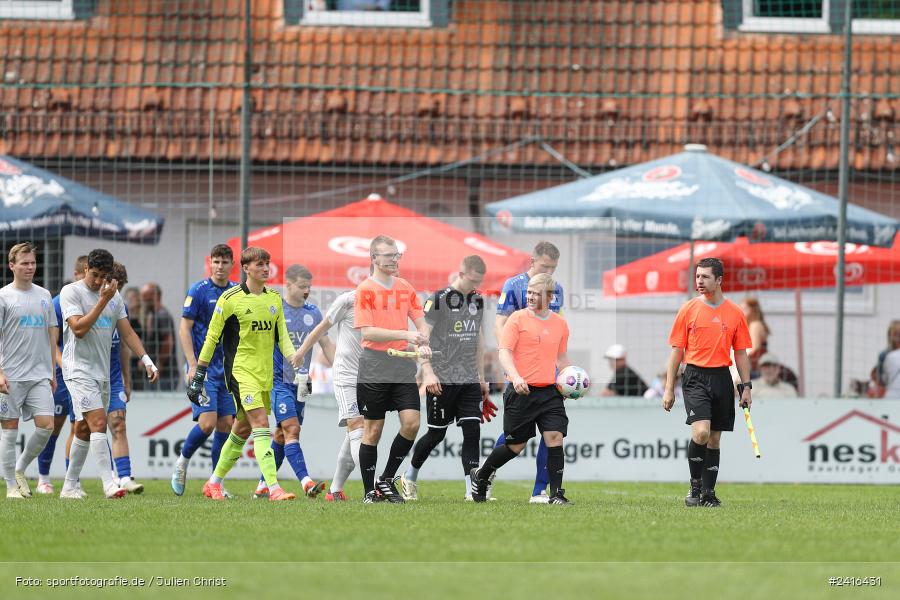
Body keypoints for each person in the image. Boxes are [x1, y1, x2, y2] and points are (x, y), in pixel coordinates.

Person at [187, 246, 303, 502]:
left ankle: (213, 483)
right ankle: (273, 488)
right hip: (240, 372)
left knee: (241, 430)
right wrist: (199, 373)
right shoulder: (230, 299)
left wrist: (295, 358)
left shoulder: (273, 299)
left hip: (264, 375)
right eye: (260, 264)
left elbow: (281, 336)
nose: (265, 268)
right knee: (261, 424)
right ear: (246, 268)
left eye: (267, 263)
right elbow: (212, 337)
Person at [59, 248, 159, 499]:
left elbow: (127, 333)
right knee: (99, 423)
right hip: (77, 370)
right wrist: (103, 299)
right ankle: (109, 484)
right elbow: (79, 329)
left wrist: (146, 360)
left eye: (103, 276)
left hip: (102, 372)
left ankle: (69, 486)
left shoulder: (115, 298)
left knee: (83, 428)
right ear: (84, 270)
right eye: (94, 275)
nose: (98, 281)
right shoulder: (71, 292)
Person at [471, 273, 573, 505]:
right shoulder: (516, 319)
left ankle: (556, 493)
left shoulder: (560, 324)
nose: (529, 296)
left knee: (555, 437)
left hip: (550, 392)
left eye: (535, 293)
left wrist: (571, 381)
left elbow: (562, 357)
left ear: (549, 297)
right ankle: (482, 474)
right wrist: (515, 377)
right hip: (521, 390)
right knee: (515, 446)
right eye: (528, 292)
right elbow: (504, 352)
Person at [400, 255, 496, 501]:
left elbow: (478, 338)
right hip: (441, 379)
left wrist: (482, 378)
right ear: (461, 273)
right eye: (473, 280)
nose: (476, 285)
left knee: (472, 430)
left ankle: (470, 490)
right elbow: (423, 338)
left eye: (480, 281)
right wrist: (428, 371)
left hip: (468, 380)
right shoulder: (438, 300)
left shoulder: (477, 299)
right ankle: (409, 476)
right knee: (436, 434)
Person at [662, 257, 752, 508]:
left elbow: (741, 353)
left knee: (714, 439)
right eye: (697, 276)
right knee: (700, 432)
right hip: (694, 377)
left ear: (719, 280)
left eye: (705, 277)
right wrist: (669, 389)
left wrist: (746, 387)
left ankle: (709, 493)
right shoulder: (688, 309)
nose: (699, 281)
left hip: (722, 378)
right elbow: (676, 352)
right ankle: (695, 486)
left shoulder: (735, 313)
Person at [354, 234, 431, 504]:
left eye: (396, 254)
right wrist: (407, 335)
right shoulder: (365, 289)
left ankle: (385, 479)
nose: (394, 259)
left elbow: (421, 322)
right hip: (374, 364)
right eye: (389, 255)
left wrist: (422, 339)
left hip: (401, 364)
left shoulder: (406, 287)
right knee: (372, 431)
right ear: (374, 259)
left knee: (412, 423)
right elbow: (368, 332)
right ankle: (368, 492)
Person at [252, 264, 332, 499]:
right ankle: (306, 482)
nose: (307, 290)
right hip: (279, 381)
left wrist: (341, 370)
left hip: (303, 384)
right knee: (291, 429)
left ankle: (262, 486)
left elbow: (326, 345)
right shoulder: (275, 308)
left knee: (281, 435)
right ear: (288, 284)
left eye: (309, 286)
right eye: (302, 286)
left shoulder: (314, 313)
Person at [494, 240, 564, 503]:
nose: (549, 271)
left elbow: (556, 328)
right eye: (545, 266)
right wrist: (513, 366)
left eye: (553, 267)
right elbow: (499, 326)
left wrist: (563, 372)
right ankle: (487, 472)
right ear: (531, 262)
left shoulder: (557, 290)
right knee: (517, 436)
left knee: (552, 430)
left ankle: (540, 490)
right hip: (518, 372)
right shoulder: (514, 286)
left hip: (547, 374)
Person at [171, 244, 237, 496]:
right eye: (216, 262)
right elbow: (184, 329)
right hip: (204, 369)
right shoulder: (198, 291)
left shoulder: (235, 293)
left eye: (224, 262)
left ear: (232, 265)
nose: (219, 266)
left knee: (225, 426)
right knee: (208, 423)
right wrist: (192, 363)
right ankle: (182, 462)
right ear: (210, 263)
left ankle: (215, 484)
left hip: (228, 371)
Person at [293, 287, 363, 502]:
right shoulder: (349, 300)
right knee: (358, 427)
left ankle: (334, 491)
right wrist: (301, 352)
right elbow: (322, 329)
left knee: (357, 433)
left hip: (371, 376)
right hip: (346, 375)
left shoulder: (388, 303)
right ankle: (377, 484)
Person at [0, 242, 57, 499]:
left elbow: (51, 331)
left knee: (46, 426)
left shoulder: (44, 295)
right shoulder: (3, 296)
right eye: (24, 263)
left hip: (39, 375)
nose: (30, 267)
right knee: (9, 430)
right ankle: (11, 486)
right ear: (12, 265)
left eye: (33, 263)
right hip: (10, 375)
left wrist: (53, 371)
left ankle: (20, 469)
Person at [34, 255, 86, 495]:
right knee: (52, 428)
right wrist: (62, 364)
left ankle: (71, 480)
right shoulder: (58, 302)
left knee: (78, 427)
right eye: (84, 274)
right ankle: (43, 478)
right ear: (77, 275)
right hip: (60, 374)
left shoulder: (94, 302)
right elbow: (50, 341)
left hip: (83, 375)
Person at [105, 262, 144, 493]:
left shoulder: (121, 307)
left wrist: (126, 379)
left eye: (121, 287)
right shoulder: (84, 302)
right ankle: (68, 481)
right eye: (113, 286)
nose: (117, 292)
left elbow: (123, 346)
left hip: (114, 377)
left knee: (118, 424)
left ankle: (125, 476)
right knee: (84, 429)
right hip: (87, 377)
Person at [140, 283, 178, 390]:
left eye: (146, 298)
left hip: (164, 375)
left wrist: (158, 365)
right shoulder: (152, 315)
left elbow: (168, 342)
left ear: (155, 296)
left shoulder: (162, 315)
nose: (143, 301)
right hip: (156, 373)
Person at [741, 296, 769, 376]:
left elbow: (754, 349)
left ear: (752, 310)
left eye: (744, 309)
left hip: (754, 367)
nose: (741, 311)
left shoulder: (755, 325)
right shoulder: (754, 324)